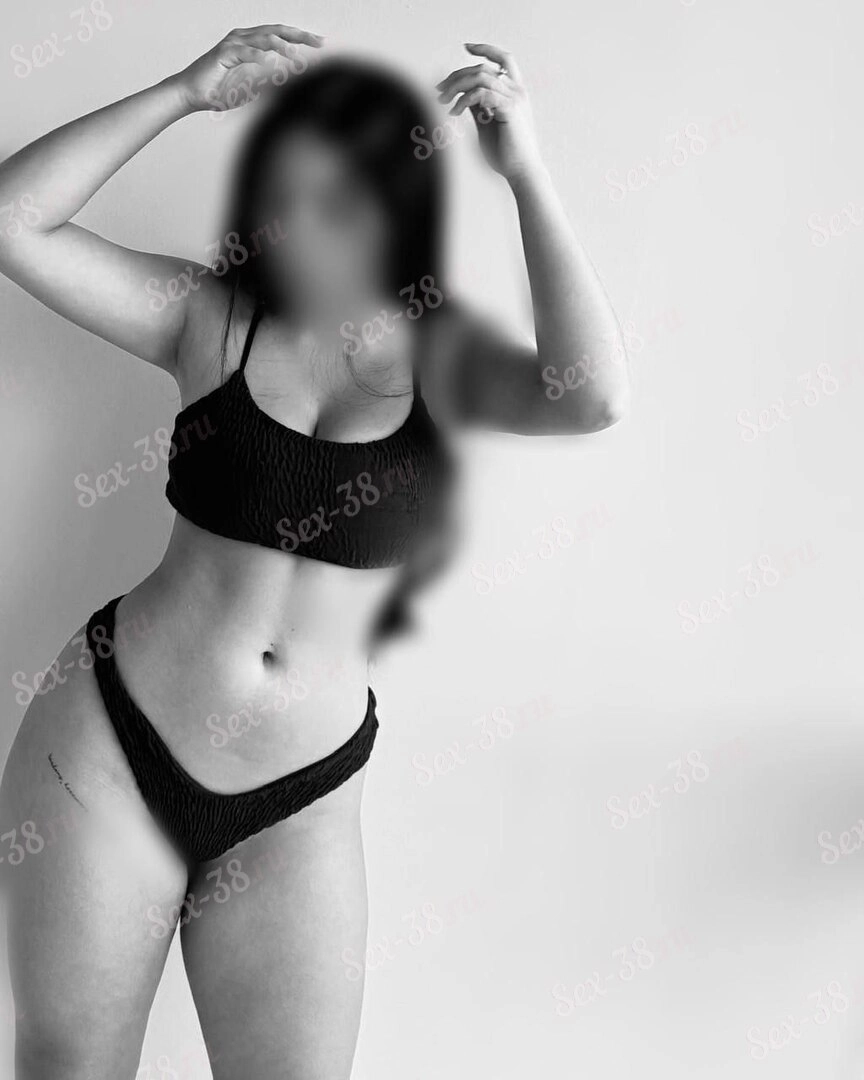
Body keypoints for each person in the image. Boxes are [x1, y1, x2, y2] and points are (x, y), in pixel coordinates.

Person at [0, 23, 629, 1079]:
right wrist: (182, 90)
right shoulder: (208, 318)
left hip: (298, 801)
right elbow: (13, 221)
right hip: (113, 747)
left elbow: (594, 397)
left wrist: (525, 174)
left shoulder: (442, 359)